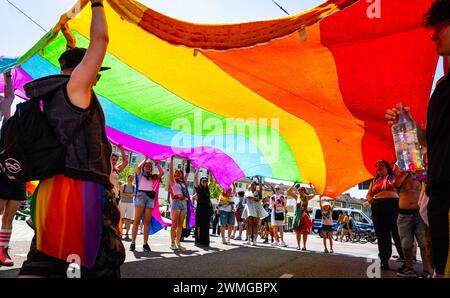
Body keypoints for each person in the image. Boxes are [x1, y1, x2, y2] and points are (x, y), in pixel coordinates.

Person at [18, 0, 126, 277]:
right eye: (95, 71)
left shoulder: (56, 92)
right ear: (87, 72)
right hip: (78, 191)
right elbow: (100, 39)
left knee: (46, 260)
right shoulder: (77, 90)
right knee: (91, 264)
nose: (97, 78)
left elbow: (73, 63)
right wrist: (99, 4)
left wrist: (69, 41)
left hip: (52, 188)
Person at [386, 0, 450, 278]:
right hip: (439, 200)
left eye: (441, 26)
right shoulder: (443, 87)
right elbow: (435, 141)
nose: (434, 34)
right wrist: (411, 129)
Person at [0, 70, 27, 266]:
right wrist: (8, 77)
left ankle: (2, 250)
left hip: (19, 179)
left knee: (9, 216)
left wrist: (8, 76)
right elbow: (8, 99)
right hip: (1, 177)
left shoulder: (30, 136)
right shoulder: (7, 125)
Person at [393, 167, 433, 278]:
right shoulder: (401, 173)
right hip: (403, 214)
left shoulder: (421, 172)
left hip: (419, 214)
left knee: (423, 243)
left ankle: (427, 270)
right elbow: (395, 184)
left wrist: (418, 172)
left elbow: (428, 181)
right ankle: (409, 268)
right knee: (406, 244)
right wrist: (405, 171)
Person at [366, 160, 404, 271]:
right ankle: (384, 261)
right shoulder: (374, 181)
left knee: (397, 232)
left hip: (393, 206)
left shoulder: (393, 177)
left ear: (387, 166)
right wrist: (370, 199)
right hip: (378, 206)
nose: (378, 167)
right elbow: (368, 194)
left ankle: (406, 261)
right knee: (382, 234)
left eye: (381, 165)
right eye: (377, 166)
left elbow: (401, 186)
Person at [130, 157, 164, 252]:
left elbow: (162, 173)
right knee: (136, 220)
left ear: (151, 168)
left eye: (149, 166)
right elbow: (138, 167)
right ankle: (133, 242)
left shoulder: (153, 176)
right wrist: (146, 159)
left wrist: (156, 162)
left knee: (147, 222)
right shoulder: (140, 175)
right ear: (144, 167)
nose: (148, 167)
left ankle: (145, 243)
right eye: (146, 166)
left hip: (150, 197)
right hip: (141, 196)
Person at [168, 157, 190, 251]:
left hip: (184, 203)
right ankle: (172, 242)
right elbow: (170, 171)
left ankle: (178, 243)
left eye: (180, 172)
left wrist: (188, 161)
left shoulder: (183, 182)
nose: (178, 173)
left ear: (181, 174)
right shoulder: (173, 181)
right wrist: (172, 160)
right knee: (174, 224)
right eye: (176, 172)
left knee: (180, 225)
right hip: (176, 202)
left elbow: (188, 172)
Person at [288, 183, 315, 251]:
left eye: (302, 190)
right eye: (299, 190)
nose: (301, 191)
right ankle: (298, 245)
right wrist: (293, 184)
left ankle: (304, 246)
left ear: (304, 191)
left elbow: (314, 194)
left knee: (305, 232)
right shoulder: (297, 197)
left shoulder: (307, 197)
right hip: (298, 216)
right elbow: (289, 191)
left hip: (304, 216)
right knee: (298, 232)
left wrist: (311, 186)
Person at [242, 177, 269, 246]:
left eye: (254, 185)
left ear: (255, 186)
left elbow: (258, 198)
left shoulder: (258, 192)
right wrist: (254, 198)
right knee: (249, 224)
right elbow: (248, 197)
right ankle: (248, 240)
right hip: (249, 208)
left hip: (257, 208)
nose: (252, 186)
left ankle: (254, 240)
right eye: (251, 185)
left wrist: (259, 179)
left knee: (255, 224)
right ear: (249, 186)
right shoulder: (247, 192)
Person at [194, 169, 213, 247]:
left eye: (205, 181)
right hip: (200, 209)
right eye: (203, 181)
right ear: (201, 182)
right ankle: (198, 241)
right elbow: (195, 179)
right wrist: (197, 170)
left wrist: (211, 172)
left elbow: (212, 181)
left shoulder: (207, 188)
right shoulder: (198, 188)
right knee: (198, 225)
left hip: (207, 209)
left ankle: (205, 241)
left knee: (205, 226)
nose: (204, 182)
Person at [120, 175, 135, 241]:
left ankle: (127, 234)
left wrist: (126, 194)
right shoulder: (123, 185)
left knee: (129, 219)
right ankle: (120, 232)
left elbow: (133, 195)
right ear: (127, 178)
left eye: (132, 178)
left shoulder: (134, 187)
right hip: (123, 203)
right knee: (121, 218)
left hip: (130, 203)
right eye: (130, 177)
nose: (131, 179)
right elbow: (121, 194)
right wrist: (129, 195)